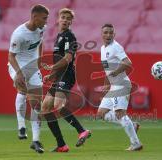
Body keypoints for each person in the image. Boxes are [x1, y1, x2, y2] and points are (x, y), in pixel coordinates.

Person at [41, 8, 91, 152]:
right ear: (58, 19)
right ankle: (61, 144)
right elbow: (59, 59)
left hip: (67, 74)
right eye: (63, 17)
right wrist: (51, 75)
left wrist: (52, 68)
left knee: (59, 105)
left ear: (70, 22)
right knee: (45, 109)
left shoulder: (70, 37)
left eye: (68, 18)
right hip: (58, 75)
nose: (65, 20)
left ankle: (82, 131)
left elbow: (68, 59)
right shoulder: (59, 36)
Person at [8, 4, 49, 154]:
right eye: (44, 18)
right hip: (17, 65)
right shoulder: (19, 34)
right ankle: (21, 126)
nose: (46, 21)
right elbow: (11, 56)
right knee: (24, 91)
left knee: (36, 103)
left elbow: (41, 42)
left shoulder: (41, 29)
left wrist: (39, 60)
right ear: (34, 17)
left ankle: (36, 141)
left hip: (33, 67)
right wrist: (18, 73)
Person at [96, 23, 143, 151]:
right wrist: (107, 83)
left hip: (121, 84)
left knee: (120, 114)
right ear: (101, 34)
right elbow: (107, 68)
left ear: (114, 34)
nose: (108, 35)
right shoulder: (102, 49)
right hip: (113, 86)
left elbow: (128, 62)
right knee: (101, 114)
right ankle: (132, 125)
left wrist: (116, 72)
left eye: (111, 32)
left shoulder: (116, 47)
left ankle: (136, 143)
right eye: (105, 32)